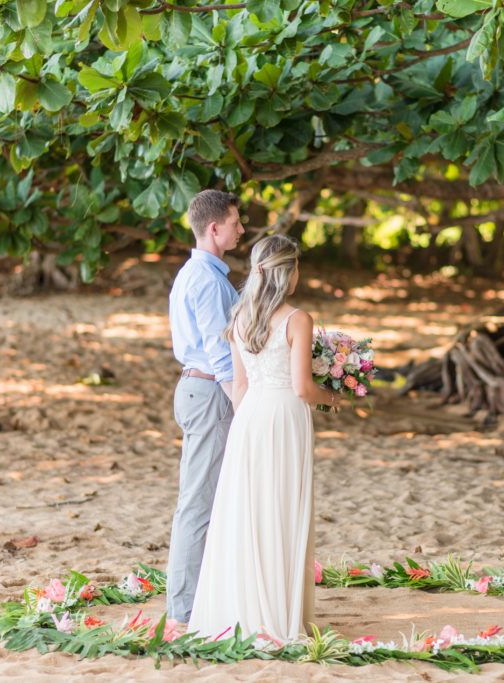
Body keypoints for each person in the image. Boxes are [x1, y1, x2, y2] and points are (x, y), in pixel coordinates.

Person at [188, 235, 341, 642]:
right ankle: (278, 614)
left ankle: (243, 609)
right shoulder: (298, 319)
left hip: (250, 417)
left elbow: (238, 385)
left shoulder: (240, 317)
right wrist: (335, 397)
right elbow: (303, 388)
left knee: (249, 512)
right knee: (282, 508)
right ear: (289, 275)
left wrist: (248, 427)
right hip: (285, 416)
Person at [166, 189, 245, 623]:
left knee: (206, 499)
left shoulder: (196, 274)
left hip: (199, 389)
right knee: (197, 503)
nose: (241, 229)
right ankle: (184, 610)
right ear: (214, 228)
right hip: (210, 390)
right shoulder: (209, 281)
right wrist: (244, 404)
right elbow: (221, 355)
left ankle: (201, 598)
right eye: (235, 222)